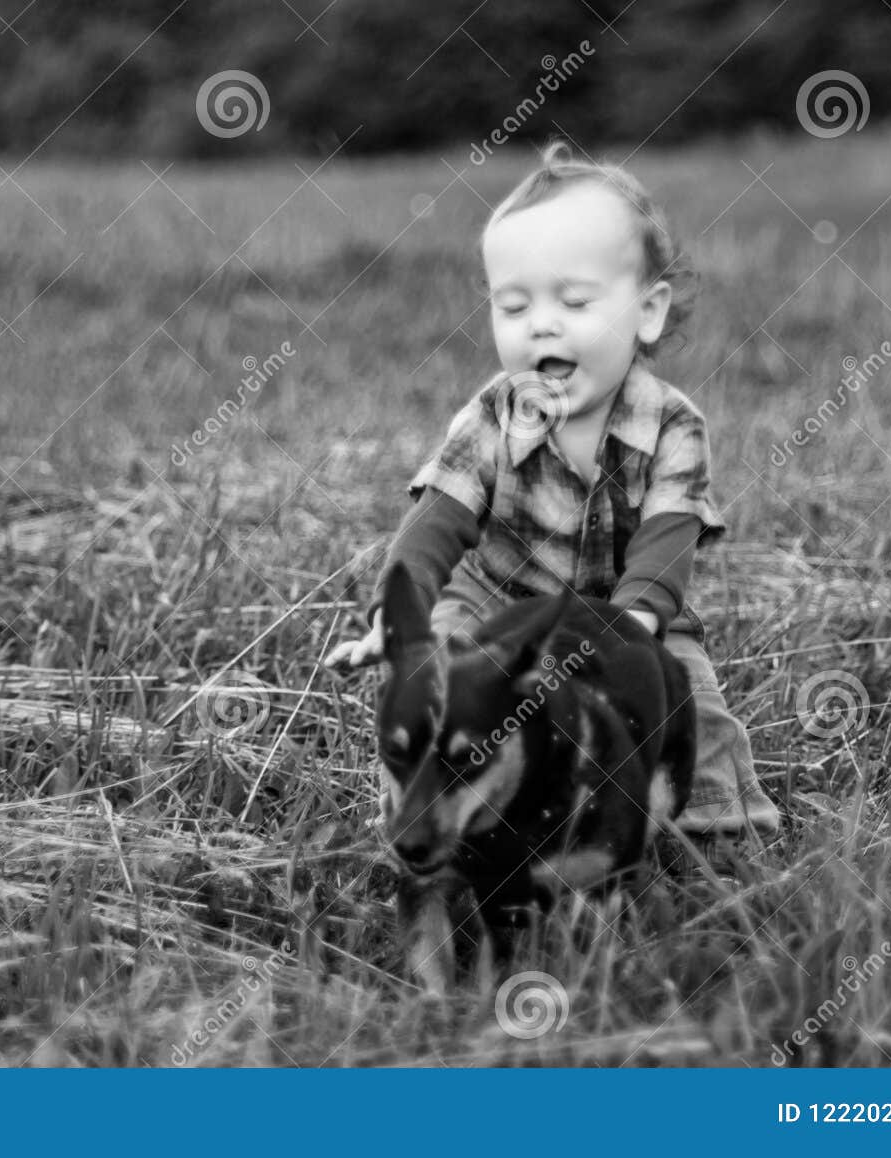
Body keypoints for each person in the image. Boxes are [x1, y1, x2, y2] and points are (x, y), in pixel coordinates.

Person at [324, 142, 779, 842]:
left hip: (628, 617)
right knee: (435, 689)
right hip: (494, 601)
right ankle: (416, 818)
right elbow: (434, 524)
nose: (541, 322)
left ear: (648, 313)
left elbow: (666, 544)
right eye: (514, 306)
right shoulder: (491, 415)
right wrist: (400, 616)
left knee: (690, 703)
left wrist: (629, 635)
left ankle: (720, 828)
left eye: (573, 300)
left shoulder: (673, 426)